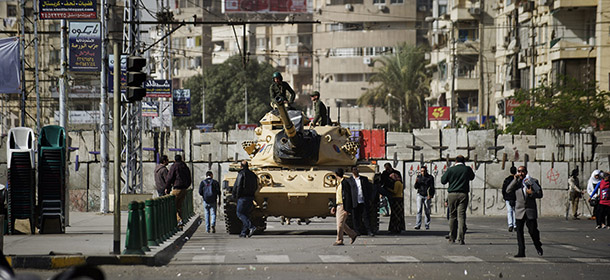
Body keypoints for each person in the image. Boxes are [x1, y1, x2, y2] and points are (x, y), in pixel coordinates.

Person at [506, 166, 543, 258]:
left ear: (526, 172)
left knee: (532, 231)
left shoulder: (533, 181)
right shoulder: (516, 183)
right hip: (519, 211)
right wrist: (514, 180)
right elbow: (508, 190)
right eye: (519, 171)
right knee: (519, 232)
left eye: (522, 171)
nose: (520, 173)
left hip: (530, 210)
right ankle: (521, 251)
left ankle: (538, 245)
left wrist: (532, 193)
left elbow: (540, 194)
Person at [441, 155, 474, 245]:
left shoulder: (450, 169)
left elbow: (443, 180)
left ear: (455, 161)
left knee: (452, 216)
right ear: (464, 162)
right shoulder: (467, 169)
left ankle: (452, 237)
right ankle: (461, 238)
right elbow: (472, 177)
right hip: (463, 194)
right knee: (461, 216)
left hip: (452, 194)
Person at [330, 168, 358, 246]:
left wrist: (347, 208)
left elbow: (348, 196)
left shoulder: (345, 183)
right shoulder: (339, 183)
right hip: (339, 205)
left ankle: (339, 240)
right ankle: (352, 234)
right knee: (341, 223)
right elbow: (338, 196)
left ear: (336, 174)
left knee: (339, 224)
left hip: (343, 205)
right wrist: (334, 206)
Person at [346, 166, 375, 237]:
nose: (355, 171)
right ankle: (356, 231)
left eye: (356, 169)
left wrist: (370, 199)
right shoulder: (349, 180)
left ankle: (369, 231)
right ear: (352, 171)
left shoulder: (364, 179)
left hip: (363, 200)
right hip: (354, 201)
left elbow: (369, 189)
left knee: (366, 216)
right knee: (355, 217)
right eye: (354, 169)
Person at [165, 154, 192, 228]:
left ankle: (179, 220)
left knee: (173, 206)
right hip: (184, 189)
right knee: (179, 206)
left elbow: (170, 177)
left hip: (177, 188)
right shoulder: (185, 167)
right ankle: (179, 223)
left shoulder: (174, 166)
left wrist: (167, 187)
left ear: (175, 160)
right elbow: (189, 178)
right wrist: (186, 186)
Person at [233, 160, 258, 238]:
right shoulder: (253, 174)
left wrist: (235, 196)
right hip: (250, 197)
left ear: (241, 166)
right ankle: (243, 232)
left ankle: (251, 227)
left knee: (240, 213)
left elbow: (238, 185)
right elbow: (256, 186)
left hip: (242, 197)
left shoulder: (241, 174)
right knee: (246, 215)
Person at [414, 166, 435, 230]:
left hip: (427, 195)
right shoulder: (419, 177)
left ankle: (427, 224)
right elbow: (415, 187)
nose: (423, 172)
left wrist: (431, 195)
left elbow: (432, 187)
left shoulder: (430, 177)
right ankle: (418, 224)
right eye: (422, 171)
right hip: (420, 194)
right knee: (419, 210)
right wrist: (417, 182)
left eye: (424, 171)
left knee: (427, 210)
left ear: (426, 171)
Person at [502, 166, 517, 232]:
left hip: (508, 198)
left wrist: (505, 197)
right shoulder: (516, 179)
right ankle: (515, 225)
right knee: (515, 211)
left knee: (509, 211)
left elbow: (504, 189)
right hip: (515, 197)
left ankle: (510, 225)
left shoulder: (506, 179)